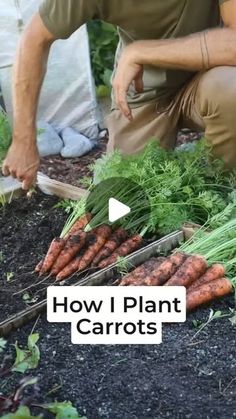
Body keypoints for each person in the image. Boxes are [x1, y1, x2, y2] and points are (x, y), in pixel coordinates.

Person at [2, 0, 236, 190]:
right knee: (123, 198)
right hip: (143, 90)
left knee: (231, 88)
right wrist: (23, 140)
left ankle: (221, 188)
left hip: (211, 76)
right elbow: (34, 39)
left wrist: (140, 51)